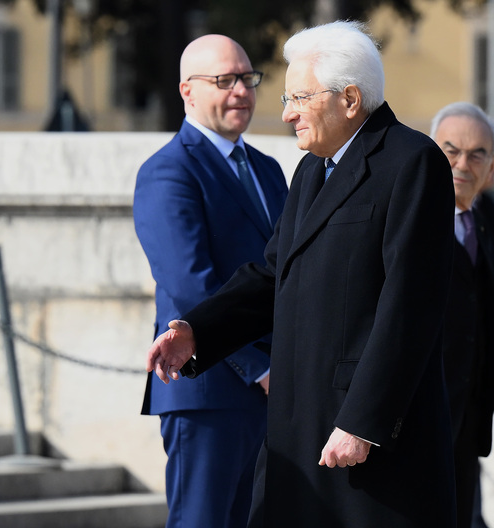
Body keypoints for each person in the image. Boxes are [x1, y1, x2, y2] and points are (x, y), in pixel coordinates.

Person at [145, 20, 457, 528]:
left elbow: (411, 305)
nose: (286, 113)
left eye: (299, 98)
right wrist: (197, 331)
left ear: (350, 99)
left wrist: (363, 421)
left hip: (365, 443)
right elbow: (274, 274)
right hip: (297, 429)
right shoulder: (312, 168)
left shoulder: (412, 162)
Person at [133, 34, 287, 528]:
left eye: (247, 78)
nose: (241, 90)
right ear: (187, 91)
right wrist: (259, 369)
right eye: (225, 80)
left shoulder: (267, 170)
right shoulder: (168, 171)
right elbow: (191, 287)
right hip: (209, 392)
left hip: (275, 393)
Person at [431, 102, 494, 528]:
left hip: (470, 425)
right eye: (450, 150)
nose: (462, 164)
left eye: (476, 154)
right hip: (417, 426)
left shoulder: (488, 221)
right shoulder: (406, 220)